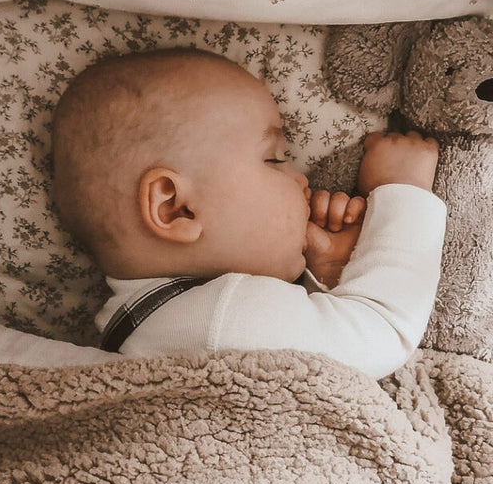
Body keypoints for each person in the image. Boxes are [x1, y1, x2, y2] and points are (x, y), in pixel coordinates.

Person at [51, 48, 445, 380]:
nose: (301, 180)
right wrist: (403, 194)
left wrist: (330, 275)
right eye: (274, 160)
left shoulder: (156, 325)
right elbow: (381, 334)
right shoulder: (218, 317)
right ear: (176, 208)